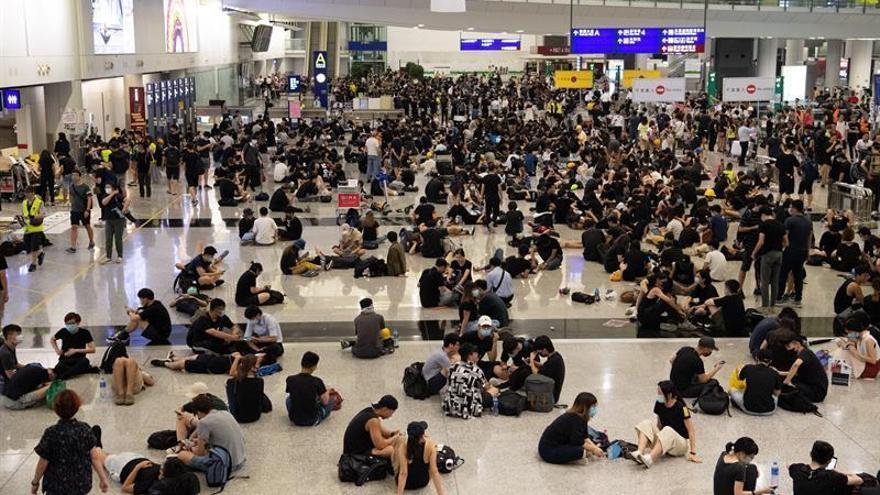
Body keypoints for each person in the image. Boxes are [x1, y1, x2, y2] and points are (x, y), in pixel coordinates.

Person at [31, 390, 109, 495]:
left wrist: (35, 483)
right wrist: (103, 478)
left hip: (56, 486)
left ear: (55, 408)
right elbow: (94, 457)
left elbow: (43, 462)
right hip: (81, 484)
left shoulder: (51, 433)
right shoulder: (85, 429)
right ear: (77, 406)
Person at [631, 380, 700, 468]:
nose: (658, 396)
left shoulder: (681, 407)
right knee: (646, 423)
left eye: (660, 394)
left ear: (669, 395)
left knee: (667, 429)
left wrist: (693, 452)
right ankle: (639, 453)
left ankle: (649, 459)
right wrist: (655, 439)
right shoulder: (659, 404)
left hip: (680, 445)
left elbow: (691, 430)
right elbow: (659, 425)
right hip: (666, 439)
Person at [174, 394, 246, 473]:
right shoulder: (225, 413)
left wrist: (190, 448)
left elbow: (199, 453)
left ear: (198, 411)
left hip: (226, 465)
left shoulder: (204, 422)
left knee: (182, 455)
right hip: (240, 459)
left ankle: (180, 448)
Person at [538, 392, 606, 464]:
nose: (595, 409)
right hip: (548, 450)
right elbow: (578, 442)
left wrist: (594, 447)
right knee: (581, 451)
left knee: (588, 446)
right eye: (593, 406)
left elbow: (585, 437)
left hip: (559, 443)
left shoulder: (582, 418)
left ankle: (578, 456)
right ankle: (575, 458)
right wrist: (594, 449)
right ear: (585, 407)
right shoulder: (575, 420)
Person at [93, 451, 198, 495]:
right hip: (132, 459)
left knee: (99, 455)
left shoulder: (150, 483)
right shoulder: (176, 478)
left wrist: (137, 468)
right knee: (106, 455)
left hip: (123, 466)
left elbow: (125, 488)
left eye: (162, 468)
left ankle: (93, 446)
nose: (160, 467)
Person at [442, 343, 499, 419]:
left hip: (451, 405)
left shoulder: (453, 366)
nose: (477, 355)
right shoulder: (476, 370)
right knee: (494, 390)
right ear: (470, 355)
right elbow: (486, 387)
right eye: (475, 353)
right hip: (468, 407)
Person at [790, 440, 864, 494]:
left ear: (810, 454)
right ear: (829, 461)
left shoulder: (797, 469)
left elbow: (788, 464)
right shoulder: (832, 476)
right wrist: (837, 472)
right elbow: (859, 480)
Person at [286, 351, 338, 426]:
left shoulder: (290, 379)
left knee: (288, 399)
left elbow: (293, 393)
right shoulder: (317, 381)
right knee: (331, 400)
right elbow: (325, 402)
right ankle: (319, 415)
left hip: (295, 419)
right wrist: (327, 390)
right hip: (313, 419)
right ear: (314, 367)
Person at [393, 421, 446, 494]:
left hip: (407, 484)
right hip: (423, 481)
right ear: (422, 435)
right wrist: (440, 493)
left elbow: (403, 473)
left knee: (395, 448)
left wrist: (399, 493)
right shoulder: (430, 445)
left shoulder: (403, 447)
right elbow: (434, 471)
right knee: (431, 465)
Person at [779, 331, 829, 403]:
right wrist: (780, 373)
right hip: (813, 385)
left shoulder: (805, 353)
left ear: (797, 344)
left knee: (787, 388)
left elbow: (796, 364)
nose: (787, 349)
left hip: (817, 392)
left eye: (789, 346)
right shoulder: (803, 353)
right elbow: (795, 373)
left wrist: (786, 381)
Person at [778, 199, 812, 305]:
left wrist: (784, 247)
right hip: (802, 252)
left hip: (790, 251)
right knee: (798, 275)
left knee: (783, 274)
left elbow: (785, 236)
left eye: (791, 207)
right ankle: (798, 298)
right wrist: (808, 252)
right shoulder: (808, 221)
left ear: (794, 208)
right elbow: (809, 238)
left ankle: (778, 296)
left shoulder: (790, 220)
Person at [730, 348, 782, 416]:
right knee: (775, 397)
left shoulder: (748, 367)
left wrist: (740, 370)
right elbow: (777, 393)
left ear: (757, 358)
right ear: (770, 361)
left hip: (748, 408)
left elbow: (739, 378)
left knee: (732, 390)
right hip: (769, 410)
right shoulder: (775, 373)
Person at [752, 206, 785, 308]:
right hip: (779, 254)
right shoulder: (780, 225)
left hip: (767, 255)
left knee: (765, 281)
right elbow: (786, 242)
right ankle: (773, 305)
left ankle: (765, 306)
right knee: (775, 281)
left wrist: (753, 253)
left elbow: (761, 241)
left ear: (763, 215)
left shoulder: (763, 225)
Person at [225, 354, 271, 423]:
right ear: (252, 367)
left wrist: (237, 359)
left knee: (229, 386)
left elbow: (232, 373)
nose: (258, 366)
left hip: (237, 416)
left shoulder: (232, 382)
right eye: (257, 364)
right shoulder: (259, 381)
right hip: (255, 416)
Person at [50, 312, 97, 379]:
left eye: (72, 323)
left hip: (79, 359)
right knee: (59, 367)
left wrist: (75, 350)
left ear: (78, 323)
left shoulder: (85, 332)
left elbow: (93, 349)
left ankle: (64, 376)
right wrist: (57, 350)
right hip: (65, 358)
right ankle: (78, 371)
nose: (70, 325)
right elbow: (52, 339)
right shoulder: (63, 331)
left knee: (85, 361)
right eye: (67, 324)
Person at [98, 181, 130, 264]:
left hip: (118, 220)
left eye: (109, 187)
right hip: (109, 220)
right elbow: (104, 202)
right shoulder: (106, 195)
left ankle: (120, 256)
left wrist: (124, 209)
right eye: (106, 187)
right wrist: (112, 194)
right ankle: (108, 256)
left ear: (113, 188)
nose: (107, 189)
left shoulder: (118, 196)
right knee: (108, 239)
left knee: (118, 239)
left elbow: (127, 200)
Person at [530, 335, 565, 404]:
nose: (539, 354)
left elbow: (536, 375)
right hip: (551, 391)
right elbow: (545, 367)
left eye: (539, 352)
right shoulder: (556, 357)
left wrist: (531, 360)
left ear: (544, 350)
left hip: (551, 397)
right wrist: (535, 363)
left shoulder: (553, 361)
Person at [67, 169, 95, 253]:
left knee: (87, 226)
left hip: (84, 210)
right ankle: (73, 246)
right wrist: (71, 205)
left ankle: (91, 241)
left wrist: (87, 210)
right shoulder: (71, 186)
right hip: (74, 210)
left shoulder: (85, 187)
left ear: (79, 176)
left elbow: (89, 198)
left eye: (76, 175)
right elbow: (71, 197)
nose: (74, 177)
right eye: (73, 175)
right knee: (74, 227)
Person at [21, 186, 47, 272]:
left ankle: (33, 264)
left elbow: (43, 214)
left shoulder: (39, 202)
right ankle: (41, 253)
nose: (27, 194)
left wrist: (34, 216)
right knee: (27, 245)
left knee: (34, 247)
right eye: (25, 193)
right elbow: (24, 214)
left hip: (37, 228)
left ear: (33, 193)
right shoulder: (24, 202)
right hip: (28, 228)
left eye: (28, 192)